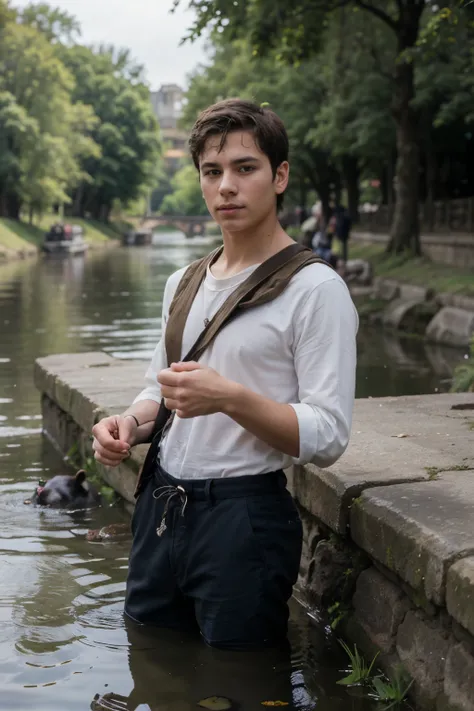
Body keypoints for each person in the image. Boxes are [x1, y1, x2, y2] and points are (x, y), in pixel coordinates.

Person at [91, 98, 358, 651]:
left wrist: (231, 398)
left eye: (245, 168)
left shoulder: (316, 290)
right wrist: (131, 423)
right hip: (161, 509)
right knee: (153, 662)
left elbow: (328, 434)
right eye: (212, 172)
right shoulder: (183, 281)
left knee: (242, 683)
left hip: (245, 521)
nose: (226, 187)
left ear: (279, 176)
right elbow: (158, 387)